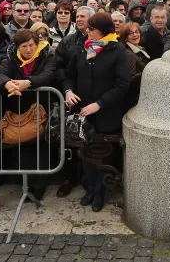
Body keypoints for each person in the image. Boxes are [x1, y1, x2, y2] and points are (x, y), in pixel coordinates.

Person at [63, 12, 130, 212]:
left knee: (102, 154)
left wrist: (100, 103)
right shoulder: (83, 48)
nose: (87, 31)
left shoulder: (117, 50)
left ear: (103, 31)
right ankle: (90, 188)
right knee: (85, 153)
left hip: (105, 113)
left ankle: (100, 191)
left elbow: (122, 84)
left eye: (91, 29)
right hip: (83, 111)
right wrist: (68, 91)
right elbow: (68, 74)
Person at [0, 28, 56, 200]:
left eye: (31, 45)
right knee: (23, 148)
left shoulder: (47, 55)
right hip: (19, 109)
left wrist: (28, 82)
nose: (28, 50)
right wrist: (7, 84)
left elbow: (49, 74)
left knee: (41, 147)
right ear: (17, 47)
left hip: (41, 108)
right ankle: (26, 184)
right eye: (24, 46)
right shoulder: (11, 57)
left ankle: (39, 185)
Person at [52, 6, 94, 198]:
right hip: (71, 97)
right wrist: (66, 90)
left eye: (83, 17)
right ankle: (69, 178)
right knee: (69, 139)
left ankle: (87, 177)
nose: (79, 20)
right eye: (77, 17)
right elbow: (59, 68)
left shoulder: (100, 41)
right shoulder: (68, 41)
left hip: (92, 100)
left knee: (89, 139)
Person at [119, 22, 150, 108]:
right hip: (133, 100)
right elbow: (130, 79)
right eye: (131, 33)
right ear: (125, 38)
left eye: (136, 32)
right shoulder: (129, 54)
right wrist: (147, 72)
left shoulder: (140, 49)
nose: (135, 35)